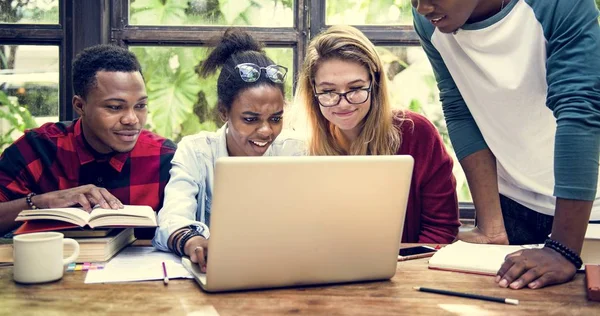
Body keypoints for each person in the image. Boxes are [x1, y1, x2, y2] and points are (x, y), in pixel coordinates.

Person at [411, 0, 600, 289]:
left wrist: (563, 248)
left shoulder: (560, 4)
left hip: (584, 214)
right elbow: (459, 105)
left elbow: (579, 109)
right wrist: (492, 227)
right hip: (511, 206)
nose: (422, 7)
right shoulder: (431, 20)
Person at [152, 28, 305, 272]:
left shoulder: (295, 151)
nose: (266, 131)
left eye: (276, 119)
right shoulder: (196, 151)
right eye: (250, 119)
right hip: (216, 275)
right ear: (224, 113)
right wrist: (192, 240)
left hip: (283, 273)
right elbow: (170, 220)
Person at [294, 25, 460, 244]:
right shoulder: (298, 146)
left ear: (375, 83)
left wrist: (401, 266)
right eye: (328, 92)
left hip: (409, 269)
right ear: (312, 91)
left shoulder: (416, 132)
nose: (343, 103)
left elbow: (441, 228)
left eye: (355, 88)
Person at [0, 44, 176, 237]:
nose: (132, 119)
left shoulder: (164, 157)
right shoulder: (36, 148)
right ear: (80, 106)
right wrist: (43, 202)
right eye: (115, 107)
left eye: (140, 106)